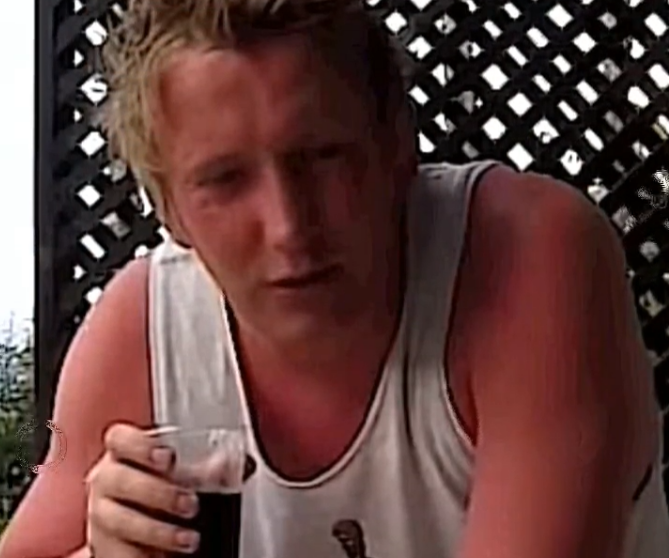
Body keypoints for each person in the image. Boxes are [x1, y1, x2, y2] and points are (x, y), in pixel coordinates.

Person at [1, 0, 668, 557]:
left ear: (398, 145)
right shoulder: (144, 328)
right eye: (226, 181)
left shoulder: (525, 253)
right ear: (169, 209)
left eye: (322, 158)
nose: (289, 226)